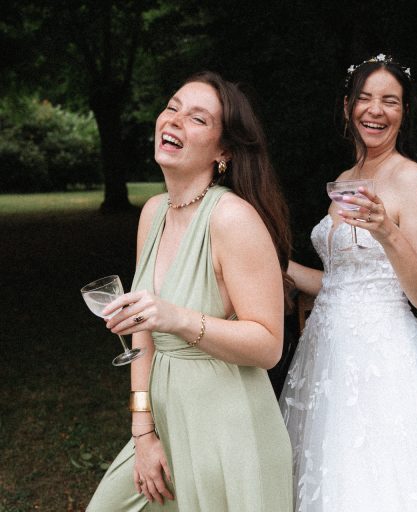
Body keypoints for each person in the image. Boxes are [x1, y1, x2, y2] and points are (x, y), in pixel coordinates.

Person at [87, 71, 293, 511]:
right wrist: (143, 432)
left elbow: (269, 345)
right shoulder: (153, 212)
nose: (175, 120)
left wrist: (177, 318)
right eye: (172, 107)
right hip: (164, 422)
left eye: (198, 118)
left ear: (223, 152)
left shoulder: (232, 219)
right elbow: (142, 331)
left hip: (228, 430)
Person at [278, 54, 417, 511]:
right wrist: (278, 265)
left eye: (390, 101)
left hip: (382, 363)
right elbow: (341, 283)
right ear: (347, 107)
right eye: (364, 98)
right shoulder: (344, 180)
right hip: (323, 359)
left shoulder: (412, 180)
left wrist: (387, 232)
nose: (375, 110)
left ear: (404, 111)